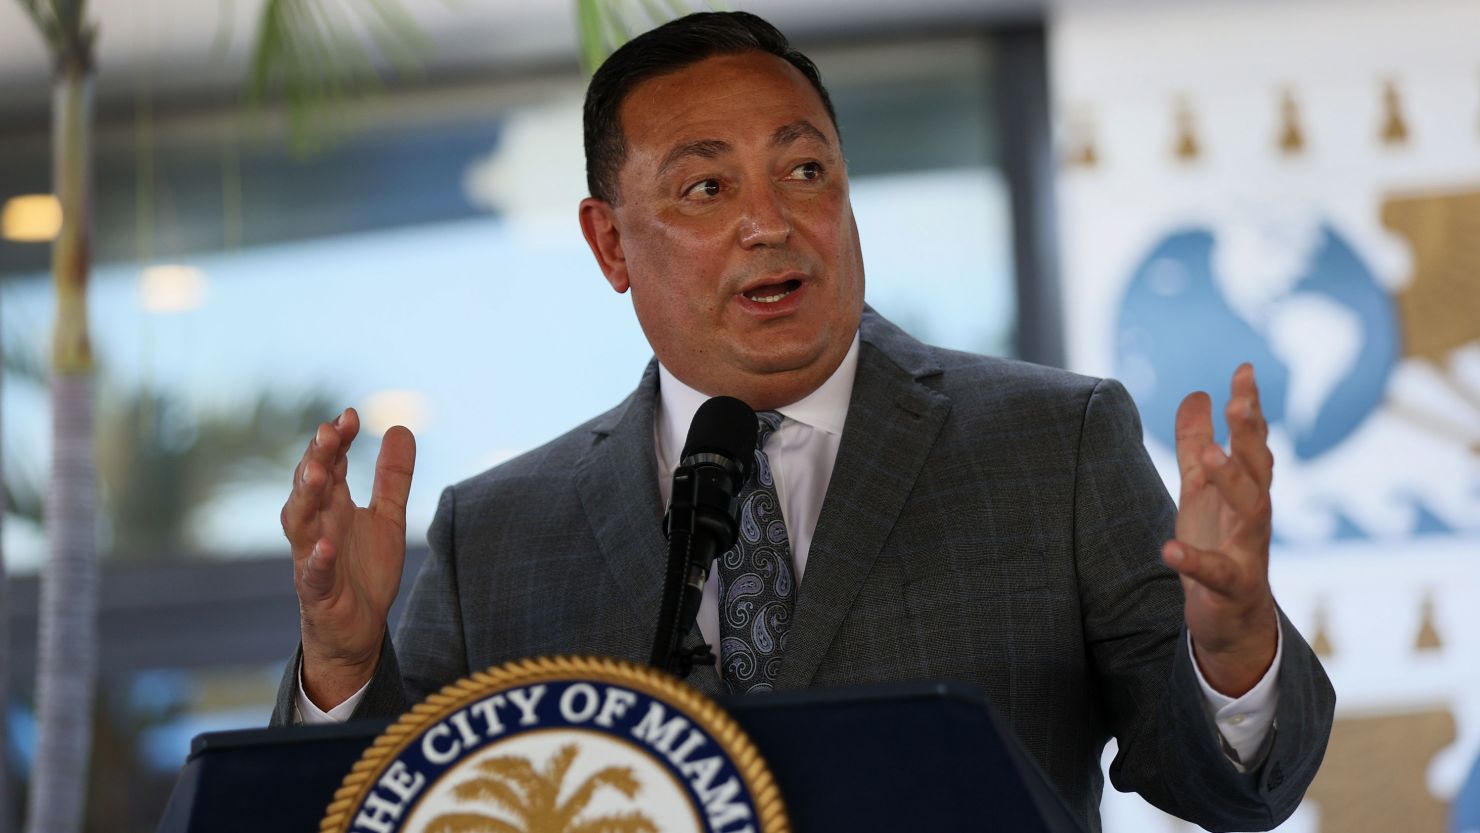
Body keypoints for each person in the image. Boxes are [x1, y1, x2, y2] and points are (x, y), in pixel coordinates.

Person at [271, 12, 1333, 831]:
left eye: (805, 168)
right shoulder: (497, 534)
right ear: (608, 244)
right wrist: (341, 668)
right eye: (703, 186)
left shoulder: (1053, 442)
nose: (770, 219)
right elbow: (390, 804)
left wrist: (1234, 652)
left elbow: (1227, 790)